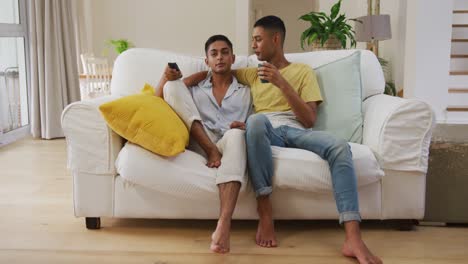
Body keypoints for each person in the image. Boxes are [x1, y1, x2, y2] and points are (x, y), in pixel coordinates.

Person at [155, 35, 252, 254]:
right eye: (214, 54)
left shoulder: (246, 91)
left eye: (225, 52)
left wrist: (245, 126)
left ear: (233, 58)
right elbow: (159, 98)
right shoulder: (195, 87)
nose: (220, 57)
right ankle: (211, 150)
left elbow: (256, 123)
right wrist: (172, 78)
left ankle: (224, 224)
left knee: (237, 136)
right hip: (201, 139)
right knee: (172, 86)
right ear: (206, 60)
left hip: (230, 140)